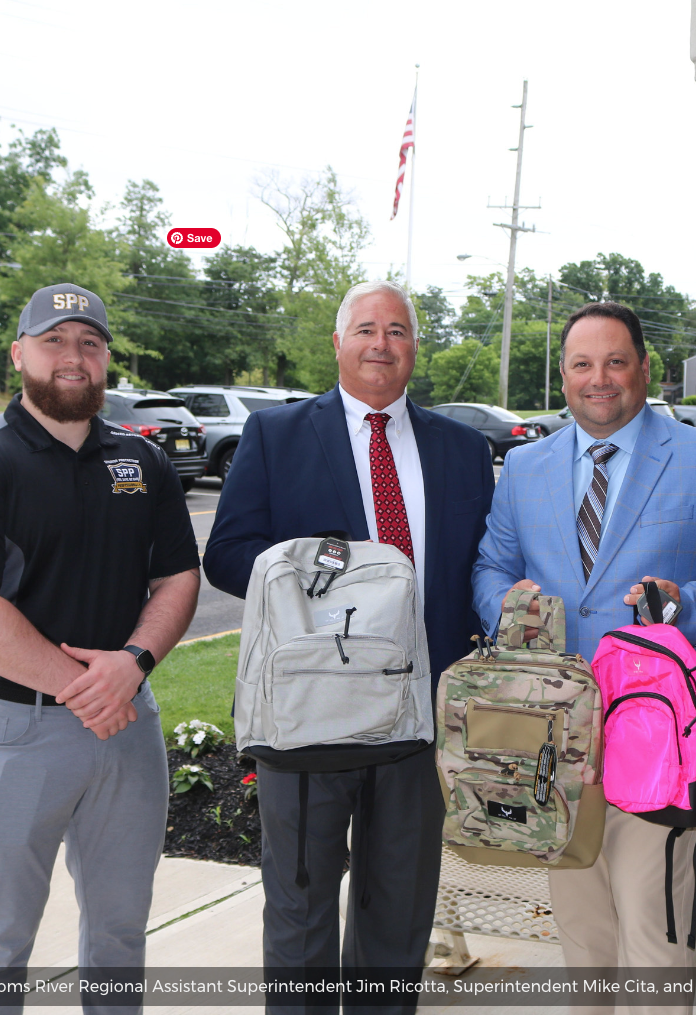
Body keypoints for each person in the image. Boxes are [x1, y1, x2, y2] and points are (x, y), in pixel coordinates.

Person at [204, 279, 494, 1014]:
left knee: (396, 917)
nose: (381, 343)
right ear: (337, 343)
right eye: (365, 328)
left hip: (418, 713)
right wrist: (312, 587)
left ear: (413, 348)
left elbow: (484, 565)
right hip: (309, 713)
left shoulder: (461, 449)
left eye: (397, 330)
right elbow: (229, 552)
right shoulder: (277, 436)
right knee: (299, 911)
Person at [473, 301, 696, 1011]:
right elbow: (489, 567)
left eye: (614, 361)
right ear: (564, 375)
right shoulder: (524, 467)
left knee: (653, 936)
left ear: (643, 367)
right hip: (553, 740)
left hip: (659, 738)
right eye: (582, 364)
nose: (598, 378)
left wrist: (683, 604)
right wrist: (506, 605)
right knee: (584, 936)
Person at [0, 282, 201, 1013]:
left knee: (119, 934)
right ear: (18, 354)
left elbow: (177, 576)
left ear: (105, 357)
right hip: (12, 730)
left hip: (126, 725)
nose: (73, 357)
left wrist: (131, 666)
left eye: (89, 343)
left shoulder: (143, 462)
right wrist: (90, 689)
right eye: (54, 341)